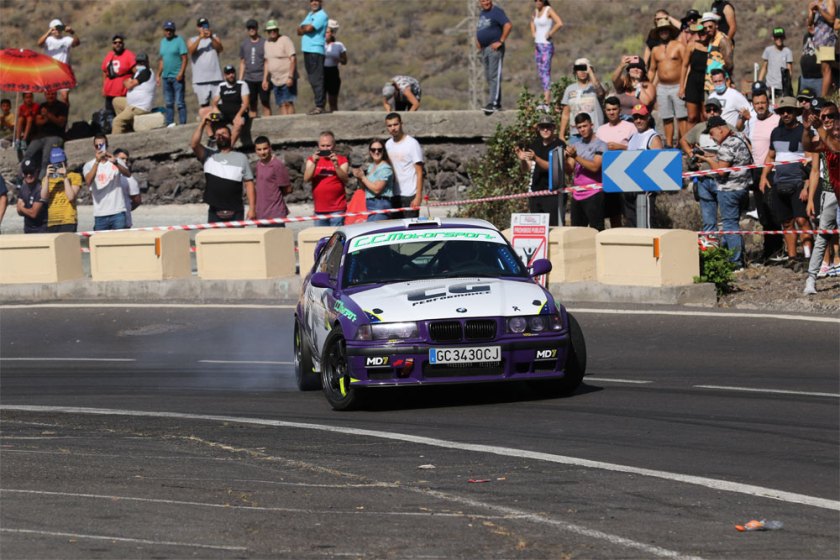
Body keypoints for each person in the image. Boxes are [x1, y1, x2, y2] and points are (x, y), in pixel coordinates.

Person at [759, 97, 819, 268]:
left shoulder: (804, 132)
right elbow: (770, 156)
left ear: (796, 112)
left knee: (802, 220)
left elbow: (811, 162)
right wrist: (764, 176)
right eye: (782, 111)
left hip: (799, 183)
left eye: (789, 111)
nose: (785, 114)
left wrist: (807, 185)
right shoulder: (776, 132)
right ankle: (792, 258)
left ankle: (808, 257)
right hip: (780, 184)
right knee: (786, 222)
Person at [693, 116, 753, 268]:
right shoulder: (739, 137)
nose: (711, 137)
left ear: (720, 128)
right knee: (734, 224)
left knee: (729, 226)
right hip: (742, 188)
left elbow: (721, 171)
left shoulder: (727, 145)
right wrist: (708, 155)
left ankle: (735, 263)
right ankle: (739, 257)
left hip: (729, 190)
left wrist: (706, 160)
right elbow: (730, 159)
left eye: (711, 133)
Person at [803, 100, 840, 293]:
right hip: (830, 191)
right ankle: (811, 278)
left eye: (830, 116)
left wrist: (818, 128)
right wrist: (806, 129)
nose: (826, 119)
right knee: (822, 235)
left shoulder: (833, 136)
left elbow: (835, 148)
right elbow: (809, 147)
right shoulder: (824, 136)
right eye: (822, 116)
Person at [745, 87, 784, 263]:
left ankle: (778, 249)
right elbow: (749, 142)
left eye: (763, 102)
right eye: (757, 103)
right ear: (753, 105)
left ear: (768, 103)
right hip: (756, 170)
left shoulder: (777, 120)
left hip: (773, 170)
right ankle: (768, 251)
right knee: (762, 213)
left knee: (773, 211)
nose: (760, 106)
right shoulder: (751, 122)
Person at [190, 117, 255, 223]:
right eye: (218, 135)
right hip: (214, 210)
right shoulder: (208, 155)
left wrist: (252, 209)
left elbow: (249, 184)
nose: (221, 136)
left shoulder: (241, 157)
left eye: (224, 133)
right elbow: (194, 144)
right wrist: (202, 123)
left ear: (230, 136)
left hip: (236, 210)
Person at [515, 114, 565, 226]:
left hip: (553, 194)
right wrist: (522, 160)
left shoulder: (559, 145)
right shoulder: (535, 144)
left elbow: (554, 167)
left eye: (548, 127)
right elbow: (526, 168)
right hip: (536, 192)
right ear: (538, 129)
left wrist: (536, 158)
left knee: (553, 228)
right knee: (537, 228)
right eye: (542, 127)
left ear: (553, 128)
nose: (545, 130)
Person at [596, 96, 636, 227]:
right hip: (608, 176)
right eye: (608, 110)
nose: (611, 112)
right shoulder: (600, 130)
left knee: (630, 212)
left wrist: (621, 147)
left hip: (628, 175)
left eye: (614, 109)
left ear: (620, 110)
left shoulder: (630, 127)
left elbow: (638, 149)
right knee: (614, 214)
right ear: (605, 111)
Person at [649, 19, 688, 147]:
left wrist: (683, 86)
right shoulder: (655, 50)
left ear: (670, 31)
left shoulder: (679, 46)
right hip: (662, 88)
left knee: (682, 117)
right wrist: (647, 85)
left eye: (666, 29)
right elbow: (652, 70)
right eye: (661, 30)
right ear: (658, 33)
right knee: (666, 117)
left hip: (678, 86)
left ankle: (685, 144)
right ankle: (669, 145)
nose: (663, 32)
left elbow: (687, 66)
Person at [565, 113, 607, 231]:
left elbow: (595, 167)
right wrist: (563, 159)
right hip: (577, 194)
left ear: (591, 125)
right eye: (579, 127)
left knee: (596, 230)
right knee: (576, 231)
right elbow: (569, 169)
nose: (582, 129)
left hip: (594, 193)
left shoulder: (601, 145)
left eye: (585, 126)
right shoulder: (575, 145)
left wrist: (575, 156)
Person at [625, 104, 663, 227]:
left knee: (647, 224)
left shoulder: (653, 137)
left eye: (641, 117)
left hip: (646, 189)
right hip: (630, 188)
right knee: (632, 224)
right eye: (635, 118)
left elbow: (658, 164)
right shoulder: (633, 137)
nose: (638, 121)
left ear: (647, 117)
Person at [83, 134, 131, 231]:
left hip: (117, 211)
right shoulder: (89, 165)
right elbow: (88, 181)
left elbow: (128, 174)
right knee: (101, 240)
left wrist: (116, 163)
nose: (99, 148)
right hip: (100, 213)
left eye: (102, 145)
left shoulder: (116, 161)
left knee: (120, 239)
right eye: (97, 146)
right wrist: (97, 162)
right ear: (94, 147)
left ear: (107, 146)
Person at [303, 130, 350, 225]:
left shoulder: (342, 160)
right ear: (318, 145)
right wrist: (315, 163)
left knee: (336, 234)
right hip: (319, 209)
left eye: (328, 146)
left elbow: (345, 179)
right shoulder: (311, 160)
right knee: (320, 234)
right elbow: (306, 179)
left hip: (337, 208)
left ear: (334, 145)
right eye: (322, 146)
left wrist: (336, 165)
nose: (325, 148)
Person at [384, 113, 424, 219]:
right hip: (393, 194)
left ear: (401, 124)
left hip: (410, 195)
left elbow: (420, 172)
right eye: (390, 125)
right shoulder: (387, 145)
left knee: (410, 227)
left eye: (395, 124)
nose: (393, 128)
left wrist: (418, 196)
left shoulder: (412, 144)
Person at [476, 0, 512, 115]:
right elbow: (482, 28)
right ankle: (496, 103)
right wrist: (478, 41)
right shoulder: (482, 13)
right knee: (488, 76)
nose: (485, 2)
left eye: (487, 0)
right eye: (483, 1)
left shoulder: (496, 11)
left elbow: (508, 25)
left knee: (494, 76)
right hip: (485, 49)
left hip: (494, 49)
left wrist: (500, 41)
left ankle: (493, 103)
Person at [199, 65, 250, 147]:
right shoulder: (222, 86)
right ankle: (212, 138)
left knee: (239, 123)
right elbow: (214, 102)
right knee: (204, 114)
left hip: (238, 114)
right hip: (223, 116)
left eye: (232, 73)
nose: (231, 75)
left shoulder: (242, 84)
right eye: (228, 74)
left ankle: (229, 146)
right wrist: (216, 110)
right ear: (225, 76)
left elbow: (246, 103)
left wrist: (238, 115)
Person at [23, 90, 67, 179]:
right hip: (40, 136)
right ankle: (22, 178)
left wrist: (48, 115)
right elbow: (38, 121)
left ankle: (41, 181)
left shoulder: (62, 106)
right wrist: (50, 118)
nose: (50, 96)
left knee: (46, 160)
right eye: (48, 94)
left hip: (55, 136)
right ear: (45, 95)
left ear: (56, 94)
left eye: (52, 94)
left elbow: (61, 123)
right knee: (28, 155)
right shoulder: (42, 106)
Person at [559, 58, 605, 140]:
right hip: (576, 133)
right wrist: (561, 134)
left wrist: (590, 72)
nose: (582, 72)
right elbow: (566, 113)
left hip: (595, 132)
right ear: (575, 71)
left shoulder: (595, 86)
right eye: (579, 69)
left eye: (584, 69)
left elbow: (601, 93)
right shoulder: (569, 89)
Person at [297, 0, 329, 115]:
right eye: (312, 1)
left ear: (321, 2)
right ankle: (318, 105)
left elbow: (309, 29)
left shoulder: (322, 15)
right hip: (308, 50)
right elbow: (298, 30)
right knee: (312, 78)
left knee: (317, 78)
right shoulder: (310, 14)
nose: (314, 3)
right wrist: (304, 28)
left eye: (316, 1)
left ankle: (320, 106)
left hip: (315, 50)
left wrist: (305, 28)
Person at [38, 18, 79, 105]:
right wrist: (49, 32)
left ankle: (65, 112)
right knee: (50, 96)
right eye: (55, 28)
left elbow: (77, 43)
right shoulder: (48, 40)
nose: (57, 30)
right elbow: (39, 43)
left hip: (63, 71)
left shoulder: (66, 39)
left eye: (59, 28)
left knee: (65, 96)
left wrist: (72, 32)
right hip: (50, 71)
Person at [112, 52, 155, 135]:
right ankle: (127, 127)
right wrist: (127, 82)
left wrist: (128, 82)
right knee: (116, 101)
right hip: (132, 104)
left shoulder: (146, 72)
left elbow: (128, 85)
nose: (140, 64)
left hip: (139, 107)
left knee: (117, 121)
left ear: (147, 62)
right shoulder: (137, 73)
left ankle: (116, 139)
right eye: (138, 62)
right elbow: (126, 82)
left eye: (142, 62)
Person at [252, 136, 291, 227]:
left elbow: (287, 189)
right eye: (259, 149)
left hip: (275, 214)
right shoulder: (258, 165)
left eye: (265, 148)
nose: (262, 152)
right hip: (261, 214)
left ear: (270, 148)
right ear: (255, 151)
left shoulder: (277, 165)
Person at [352, 139, 394, 222]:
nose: (376, 152)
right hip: (370, 203)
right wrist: (359, 177)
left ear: (383, 151)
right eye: (373, 149)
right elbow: (364, 188)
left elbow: (377, 189)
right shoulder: (371, 167)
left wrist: (363, 177)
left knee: (377, 228)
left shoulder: (385, 168)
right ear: (370, 152)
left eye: (379, 150)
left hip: (381, 204)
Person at [43, 147, 82, 233]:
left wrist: (65, 177)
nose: (58, 167)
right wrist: (47, 177)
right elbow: (43, 197)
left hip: (68, 220)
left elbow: (71, 197)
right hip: (53, 221)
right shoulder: (46, 180)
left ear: (65, 163)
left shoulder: (75, 176)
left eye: (60, 164)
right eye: (55, 164)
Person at [531, 0, 563, 105]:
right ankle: (545, 98)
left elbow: (559, 23)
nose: (538, 2)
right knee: (540, 72)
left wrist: (550, 33)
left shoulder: (548, 10)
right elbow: (532, 22)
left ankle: (547, 100)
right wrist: (533, 33)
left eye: (540, 0)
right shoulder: (536, 11)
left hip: (546, 45)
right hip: (538, 45)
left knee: (545, 72)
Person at [157, 20, 188, 127]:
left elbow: (184, 58)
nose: (168, 32)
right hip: (166, 77)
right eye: (167, 30)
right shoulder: (162, 42)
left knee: (180, 102)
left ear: (174, 30)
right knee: (168, 102)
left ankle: (183, 123)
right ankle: (170, 123)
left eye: (170, 30)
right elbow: (162, 60)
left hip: (177, 77)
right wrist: (158, 74)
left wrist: (181, 73)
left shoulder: (179, 41)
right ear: (164, 31)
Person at [188, 17, 224, 111]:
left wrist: (211, 37)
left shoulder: (214, 38)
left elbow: (220, 49)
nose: (203, 28)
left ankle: (218, 120)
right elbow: (191, 51)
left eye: (205, 25)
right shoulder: (192, 40)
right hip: (200, 80)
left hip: (215, 78)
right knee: (205, 107)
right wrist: (200, 38)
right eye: (201, 26)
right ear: (197, 28)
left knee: (219, 105)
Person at [263, 19, 297, 116]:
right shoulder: (266, 43)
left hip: (286, 77)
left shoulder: (285, 40)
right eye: (270, 30)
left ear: (278, 30)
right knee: (281, 104)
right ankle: (284, 122)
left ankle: (291, 121)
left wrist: (290, 76)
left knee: (288, 102)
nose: (272, 32)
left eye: (274, 30)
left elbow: (293, 59)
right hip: (275, 80)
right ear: (267, 32)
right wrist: (265, 79)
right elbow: (267, 62)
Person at [680, 22, 711, 127]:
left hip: (707, 82)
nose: (702, 34)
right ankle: (690, 137)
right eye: (699, 32)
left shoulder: (712, 46)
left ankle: (704, 136)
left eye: (704, 32)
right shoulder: (691, 45)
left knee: (705, 115)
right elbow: (684, 66)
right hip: (693, 81)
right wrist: (681, 87)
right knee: (692, 116)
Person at [239, 19, 271, 118]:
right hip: (249, 79)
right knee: (252, 104)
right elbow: (242, 62)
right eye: (249, 28)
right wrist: (240, 80)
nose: (251, 30)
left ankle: (268, 123)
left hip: (262, 78)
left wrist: (265, 79)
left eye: (253, 27)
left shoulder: (264, 43)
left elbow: (266, 62)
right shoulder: (244, 44)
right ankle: (253, 124)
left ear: (257, 28)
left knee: (265, 102)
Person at [611, 56, 655, 120]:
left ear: (643, 72)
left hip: (640, 121)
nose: (636, 69)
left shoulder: (647, 86)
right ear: (628, 71)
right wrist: (621, 66)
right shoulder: (624, 83)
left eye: (639, 68)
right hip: (622, 121)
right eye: (633, 67)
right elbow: (614, 80)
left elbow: (647, 102)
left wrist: (638, 83)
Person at [101, 34, 136, 116]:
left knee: (122, 115)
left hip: (122, 93)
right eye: (115, 42)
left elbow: (136, 72)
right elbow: (104, 71)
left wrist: (131, 84)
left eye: (120, 42)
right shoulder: (109, 55)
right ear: (112, 44)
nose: (117, 44)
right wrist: (103, 87)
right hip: (109, 92)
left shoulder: (129, 55)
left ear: (123, 44)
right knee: (109, 115)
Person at [808, 0, 837, 97]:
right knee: (823, 70)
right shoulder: (813, 3)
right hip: (818, 41)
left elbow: (832, 20)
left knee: (826, 69)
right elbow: (810, 23)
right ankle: (830, 94)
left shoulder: (829, 2)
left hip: (827, 40)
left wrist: (820, 9)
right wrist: (812, 13)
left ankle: (823, 98)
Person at [700, 13, 733, 93]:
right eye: (705, 28)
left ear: (716, 25)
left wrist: (721, 73)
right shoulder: (711, 39)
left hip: (719, 84)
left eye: (710, 26)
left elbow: (729, 64)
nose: (708, 29)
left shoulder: (723, 40)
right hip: (709, 84)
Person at [759, 27, 794, 98]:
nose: (779, 39)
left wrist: (788, 86)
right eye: (777, 38)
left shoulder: (787, 51)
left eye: (781, 37)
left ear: (784, 37)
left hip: (782, 87)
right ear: (773, 38)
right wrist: (759, 82)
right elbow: (764, 67)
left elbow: (789, 70)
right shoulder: (768, 50)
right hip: (769, 86)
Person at [15, 158, 48, 234]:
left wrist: (22, 208)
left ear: (36, 172)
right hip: (27, 229)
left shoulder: (40, 189)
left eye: (31, 172)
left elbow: (33, 213)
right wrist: (22, 209)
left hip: (41, 230)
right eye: (26, 173)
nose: (29, 175)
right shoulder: (23, 188)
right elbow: (18, 211)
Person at [113, 149, 141, 228]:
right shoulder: (107, 176)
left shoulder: (130, 179)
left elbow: (137, 201)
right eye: (122, 159)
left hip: (124, 221)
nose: (125, 161)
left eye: (126, 159)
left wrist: (125, 209)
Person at [324, 19, 347, 113]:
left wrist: (338, 59)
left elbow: (345, 61)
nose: (325, 34)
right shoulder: (320, 45)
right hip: (322, 71)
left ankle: (334, 115)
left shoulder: (339, 45)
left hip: (333, 71)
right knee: (321, 98)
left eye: (327, 32)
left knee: (333, 99)